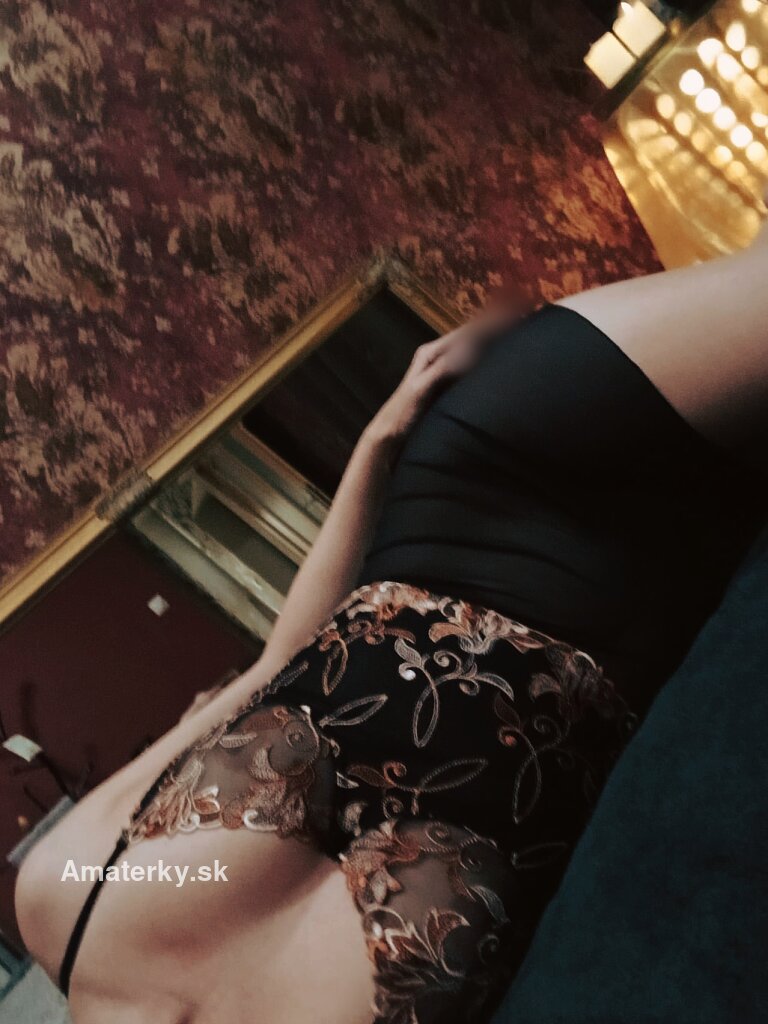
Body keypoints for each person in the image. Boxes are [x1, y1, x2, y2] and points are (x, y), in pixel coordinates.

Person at [14, 195, 768, 1024]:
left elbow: (278, 663)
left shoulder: (64, 897)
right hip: (643, 635)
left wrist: (380, 439)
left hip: (489, 483)